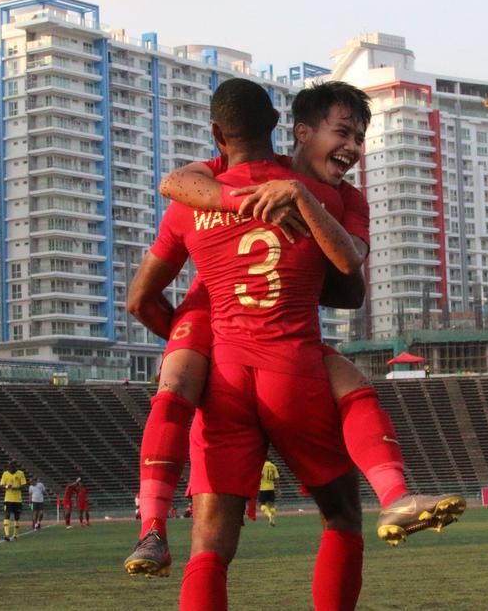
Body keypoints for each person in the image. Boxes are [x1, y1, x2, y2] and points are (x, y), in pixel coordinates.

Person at [125, 80, 463, 579]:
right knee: (345, 505)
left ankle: (152, 526)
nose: (352, 146)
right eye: (343, 131)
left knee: (208, 541)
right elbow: (352, 289)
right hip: (291, 360)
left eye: (358, 137)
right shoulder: (332, 199)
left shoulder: (201, 194)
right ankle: (395, 493)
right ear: (291, 130)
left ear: (218, 134)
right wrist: (301, 206)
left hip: (221, 357)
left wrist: (194, 342)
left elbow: (142, 289)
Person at [0, 460, 27, 542]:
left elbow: (24, 486)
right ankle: (7, 535)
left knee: (17, 517)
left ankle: (15, 534)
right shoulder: (5, 474)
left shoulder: (20, 473)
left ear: (15, 466)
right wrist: (6, 486)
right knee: (7, 514)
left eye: (13, 466)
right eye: (10, 466)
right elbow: (1, 485)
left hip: (18, 499)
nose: (11, 468)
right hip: (8, 499)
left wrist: (16, 488)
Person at [258, 460, 280, 527]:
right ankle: (272, 520)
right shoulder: (273, 466)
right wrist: (278, 489)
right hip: (271, 488)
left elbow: (260, 476)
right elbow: (276, 478)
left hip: (263, 488)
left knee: (262, 505)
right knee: (271, 505)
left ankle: (269, 515)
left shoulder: (262, 466)